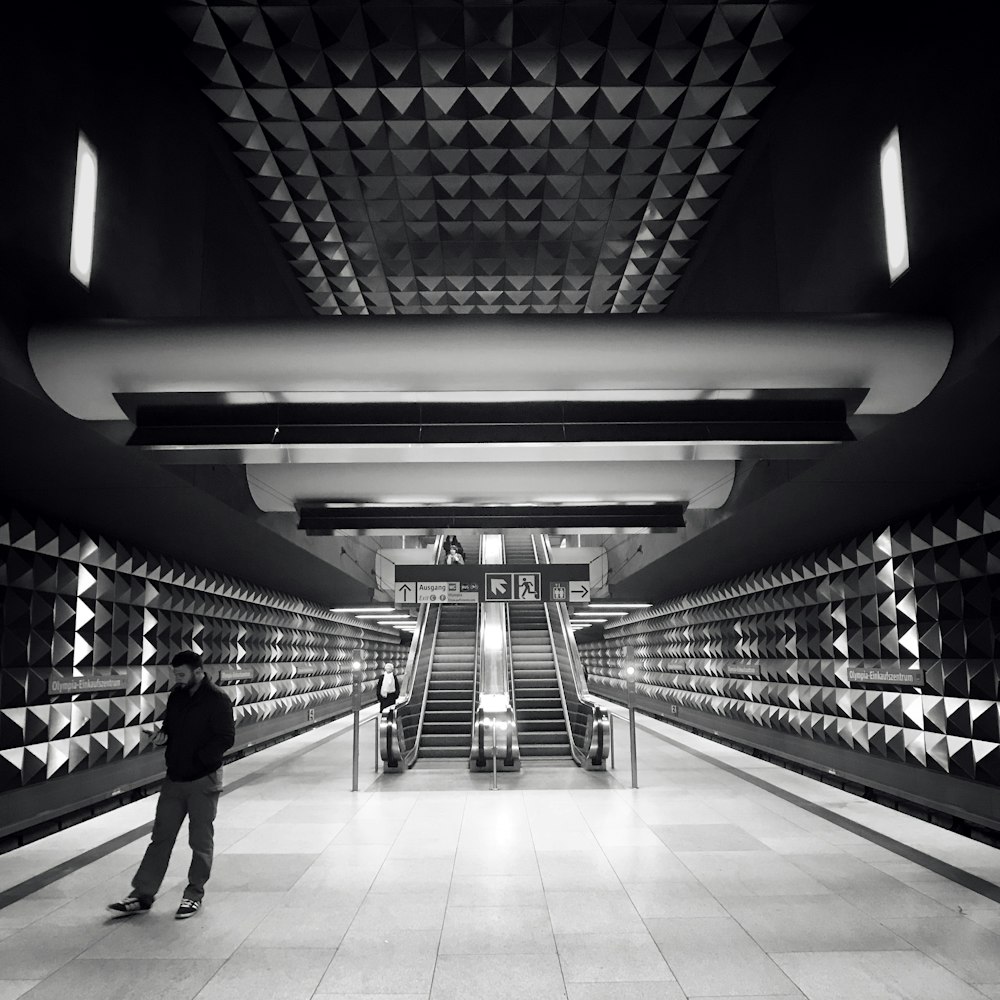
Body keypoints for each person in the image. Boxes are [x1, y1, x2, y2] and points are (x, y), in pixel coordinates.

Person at [107, 650, 235, 920]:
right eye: (175, 674)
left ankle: (194, 893)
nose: (177, 679)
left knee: (200, 841)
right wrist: (162, 739)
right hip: (174, 778)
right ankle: (142, 895)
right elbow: (171, 728)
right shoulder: (176, 696)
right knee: (160, 838)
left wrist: (200, 760)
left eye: (181, 674)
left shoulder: (217, 699)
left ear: (198, 671)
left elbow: (225, 738)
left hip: (203, 779)